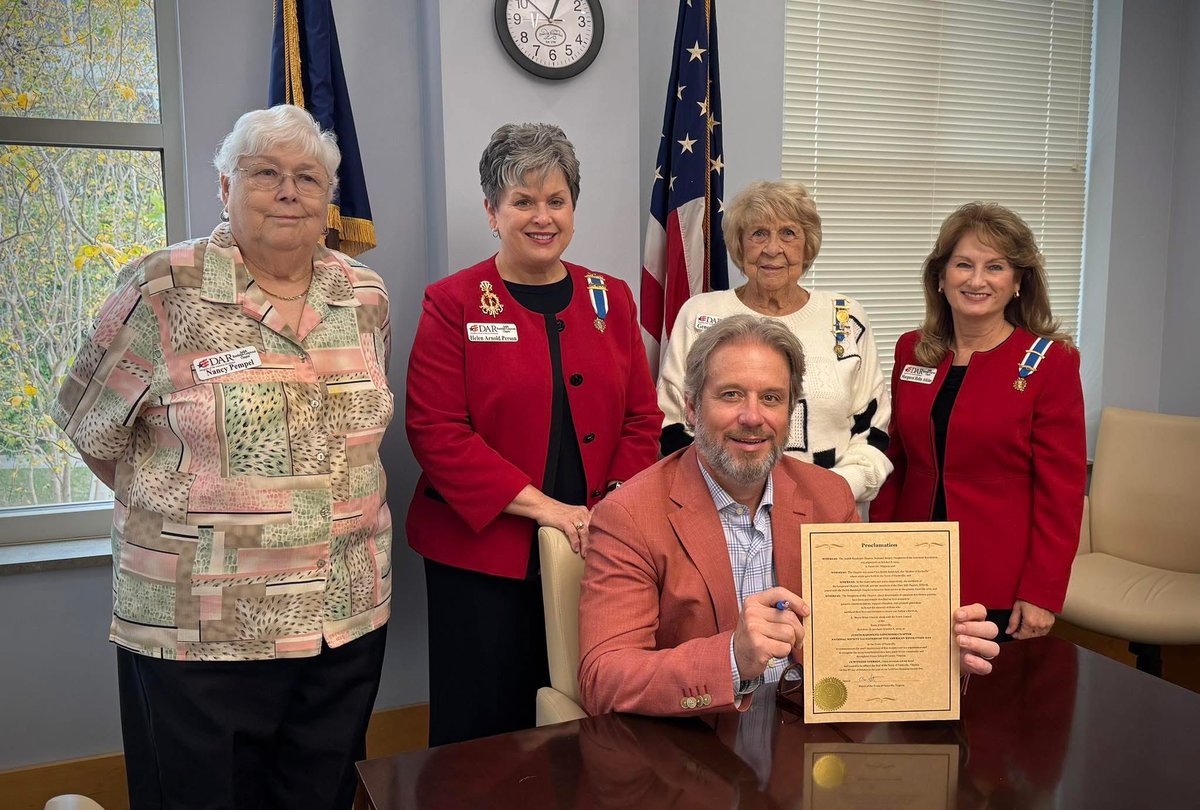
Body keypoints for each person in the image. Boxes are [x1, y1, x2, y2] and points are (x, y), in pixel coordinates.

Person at [53, 105, 394, 809]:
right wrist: (205, 521)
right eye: (265, 173)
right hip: (199, 629)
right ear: (224, 187)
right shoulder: (160, 290)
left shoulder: (362, 295)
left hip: (342, 615)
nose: (289, 191)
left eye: (307, 177)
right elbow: (94, 435)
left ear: (329, 199)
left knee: (321, 795)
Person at [578, 315, 999, 717]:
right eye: (730, 395)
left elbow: (855, 641)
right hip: (693, 752)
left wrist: (931, 658)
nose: (752, 416)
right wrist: (733, 659)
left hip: (803, 747)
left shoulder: (829, 496)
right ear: (691, 408)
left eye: (771, 398)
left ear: (790, 413)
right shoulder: (629, 516)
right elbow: (604, 678)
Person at [405, 123, 660, 744]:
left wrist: (608, 513)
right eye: (522, 201)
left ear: (573, 209)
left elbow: (641, 420)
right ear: (493, 212)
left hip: (595, 546)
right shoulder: (455, 303)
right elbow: (436, 431)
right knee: (485, 727)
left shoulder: (611, 298)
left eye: (556, 201)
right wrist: (548, 510)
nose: (541, 217)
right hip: (483, 554)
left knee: (585, 714)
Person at [870, 202, 1086, 642]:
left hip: (998, 575)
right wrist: (878, 553)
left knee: (991, 707)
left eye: (995, 267)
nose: (976, 280)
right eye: (963, 264)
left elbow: (1061, 493)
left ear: (1018, 281)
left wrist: (1043, 591)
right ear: (940, 276)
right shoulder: (912, 350)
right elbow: (897, 462)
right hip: (912, 567)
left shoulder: (1050, 362)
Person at [657, 180, 891, 515]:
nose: (772, 248)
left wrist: (830, 491)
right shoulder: (701, 315)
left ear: (807, 245)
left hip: (828, 512)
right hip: (722, 512)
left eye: (788, 234)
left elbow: (873, 433)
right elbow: (673, 425)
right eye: (758, 234)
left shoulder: (846, 317)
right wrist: (737, 495)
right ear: (739, 245)